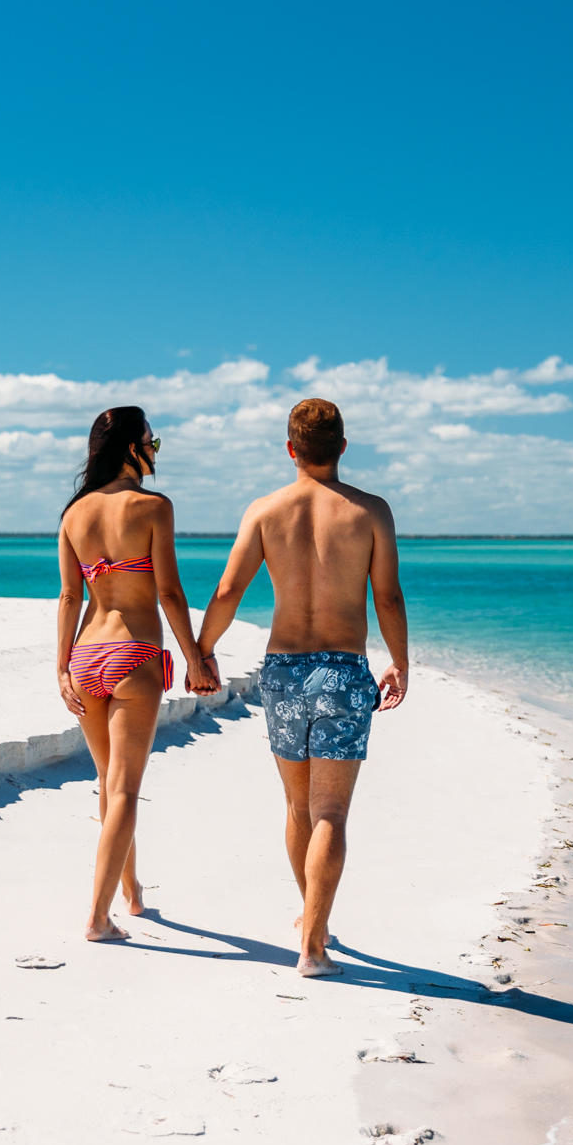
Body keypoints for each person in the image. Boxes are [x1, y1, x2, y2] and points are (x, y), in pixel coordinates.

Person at [196, 397, 408, 977]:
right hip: (342, 672)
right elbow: (386, 596)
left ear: (290, 449)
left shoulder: (265, 511)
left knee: (297, 806)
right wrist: (400, 662)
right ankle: (313, 946)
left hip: (285, 672)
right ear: (342, 447)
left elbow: (226, 591)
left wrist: (202, 650)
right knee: (330, 812)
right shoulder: (371, 512)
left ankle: (309, 920)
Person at [56, 405, 217, 941]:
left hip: (85, 659)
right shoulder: (152, 507)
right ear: (132, 447)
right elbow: (168, 591)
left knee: (108, 784)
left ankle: (130, 892)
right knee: (124, 790)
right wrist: (194, 656)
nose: (155, 450)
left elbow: (69, 597)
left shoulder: (74, 514)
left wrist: (61, 670)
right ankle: (99, 917)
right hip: (132, 654)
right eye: (153, 441)